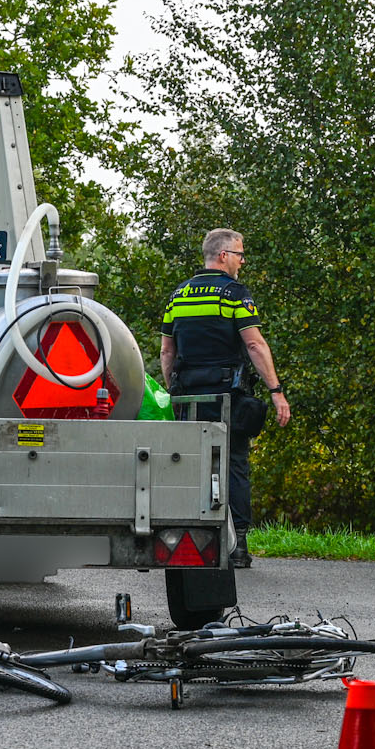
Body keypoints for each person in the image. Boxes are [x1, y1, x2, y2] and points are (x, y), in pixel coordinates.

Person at [158, 228, 290, 570]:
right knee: (234, 464)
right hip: (227, 396)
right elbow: (254, 344)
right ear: (222, 256)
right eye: (239, 254)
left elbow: (167, 350)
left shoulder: (178, 296)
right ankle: (238, 545)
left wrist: (174, 392)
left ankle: (192, 540)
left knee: (193, 466)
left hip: (188, 398)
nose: (242, 261)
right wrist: (276, 391)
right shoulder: (233, 294)